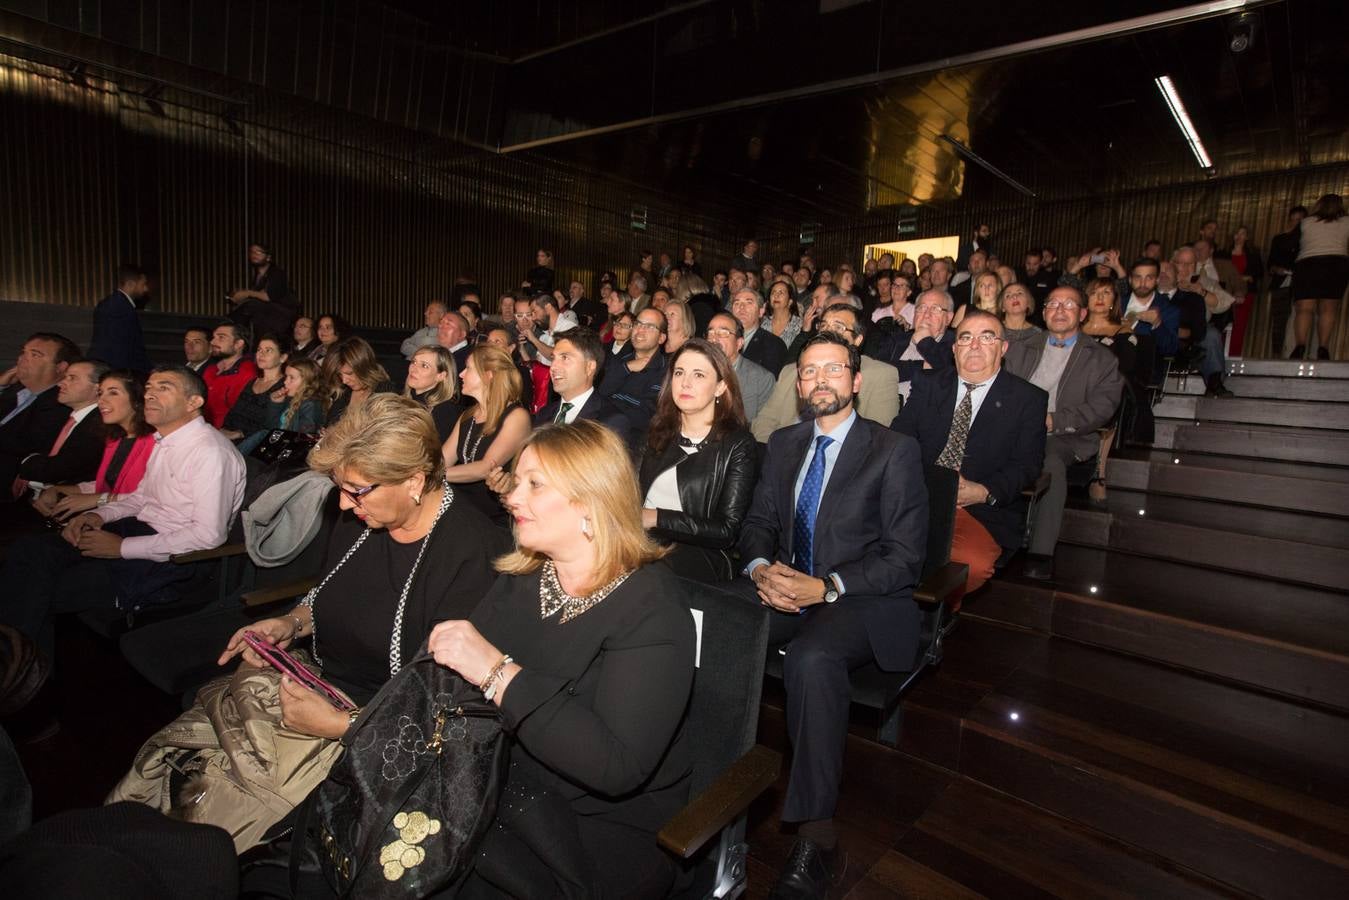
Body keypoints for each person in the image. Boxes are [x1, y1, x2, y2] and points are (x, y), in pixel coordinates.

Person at [427, 420, 694, 898]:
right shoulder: (527, 573)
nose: (512, 497)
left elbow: (616, 768)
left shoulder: (653, 609)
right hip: (499, 782)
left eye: (535, 484)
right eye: (518, 480)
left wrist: (496, 673)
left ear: (590, 502)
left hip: (589, 827)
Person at [738, 332, 926, 897]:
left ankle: (817, 839)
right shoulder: (784, 443)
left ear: (856, 381)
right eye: (809, 371)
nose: (820, 379)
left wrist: (828, 587)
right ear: (798, 386)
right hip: (789, 585)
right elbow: (758, 525)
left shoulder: (893, 450)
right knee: (723, 624)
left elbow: (904, 557)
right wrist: (758, 570)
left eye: (833, 370)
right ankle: (708, 785)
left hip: (863, 597)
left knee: (812, 658)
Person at [217, 394, 508, 730]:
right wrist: (291, 623)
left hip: (387, 729)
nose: (342, 504)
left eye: (356, 489)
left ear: (414, 481)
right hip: (319, 688)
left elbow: (446, 706)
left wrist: (344, 725)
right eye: (340, 487)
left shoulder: (476, 554)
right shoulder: (361, 516)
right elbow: (330, 593)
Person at [0, 366, 245, 665]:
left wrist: (121, 548)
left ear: (194, 403)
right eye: (150, 386)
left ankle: (18, 679)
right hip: (136, 531)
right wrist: (99, 516)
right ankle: (22, 677)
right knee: (28, 551)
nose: (150, 393)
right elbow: (141, 497)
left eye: (164, 387)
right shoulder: (165, 441)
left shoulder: (209, 452)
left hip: (172, 561)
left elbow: (209, 536)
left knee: (34, 590)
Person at [894, 310, 1046, 597]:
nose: (974, 345)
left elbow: (1027, 464)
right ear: (954, 349)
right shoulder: (929, 384)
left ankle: (929, 620)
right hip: (917, 494)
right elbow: (901, 439)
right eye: (965, 337)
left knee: (969, 565)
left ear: (1003, 348)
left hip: (978, 509)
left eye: (986, 337)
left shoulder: (1028, 399)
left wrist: (983, 491)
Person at [1004, 286, 1125, 580]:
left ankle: (1040, 551)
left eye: (1068, 304)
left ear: (1082, 314)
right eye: (1053, 304)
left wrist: (1052, 421)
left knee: (1051, 464)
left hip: (1063, 435)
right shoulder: (1020, 348)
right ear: (1043, 312)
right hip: (1014, 427)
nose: (1059, 310)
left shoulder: (1101, 359)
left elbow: (1101, 408)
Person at [638, 339, 757, 583]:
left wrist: (655, 517)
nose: (685, 382)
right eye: (679, 372)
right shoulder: (657, 430)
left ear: (720, 387)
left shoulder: (737, 444)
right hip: (639, 542)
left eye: (699, 375)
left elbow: (726, 531)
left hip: (697, 557)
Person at [755, 303, 901, 441]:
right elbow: (764, 421)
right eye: (823, 325)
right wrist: (776, 454)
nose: (827, 331)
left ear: (858, 340)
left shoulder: (880, 375)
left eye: (838, 327)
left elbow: (877, 439)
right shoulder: (791, 372)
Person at [31, 369, 156, 521]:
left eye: (113, 393)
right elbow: (108, 484)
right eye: (101, 393)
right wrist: (58, 489)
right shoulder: (115, 439)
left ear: (137, 400)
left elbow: (153, 499)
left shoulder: (157, 443)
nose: (101, 401)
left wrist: (99, 499)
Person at [1082, 278, 1154, 506]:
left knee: (1111, 394)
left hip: (1107, 386)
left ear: (1114, 300)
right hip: (1072, 385)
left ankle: (1098, 473)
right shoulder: (1072, 328)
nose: (1100, 298)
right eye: (1095, 292)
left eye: (1106, 293)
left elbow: (1125, 366)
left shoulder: (1123, 331)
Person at [443, 346, 532, 526]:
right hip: (461, 510)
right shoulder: (467, 416)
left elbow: (485, 468)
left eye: (468, 368)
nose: (461, 374)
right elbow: (441, 460)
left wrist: (431, 475)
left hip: (493, 519)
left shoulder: (516, 416)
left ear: (488, 375)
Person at [12, 359, 109, 501]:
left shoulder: (100, 425)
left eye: (72, 378)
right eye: (65, 377)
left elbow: (57, 470)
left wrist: (25, 463)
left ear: (97, 388)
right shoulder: (66, 416)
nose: (60, 383)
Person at [0, 333, 82, 502]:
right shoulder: (13, 390)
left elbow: (22, 447)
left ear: (61, 367)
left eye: (35, 355)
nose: (22, 358)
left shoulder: (60, 404)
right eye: (24, 352)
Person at [531, 328, 631, 444]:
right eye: (553, 358)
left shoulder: (609, 423)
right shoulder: (545, 413)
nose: (553, 367)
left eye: (565, 358)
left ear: (589, 367)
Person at [598, 306, 669, 448]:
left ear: (661, 338)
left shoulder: (665, 370)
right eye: (638, 324)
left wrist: (609, 407)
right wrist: (627, 367)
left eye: (649, 326)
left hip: (630, 442)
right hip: (601, 430)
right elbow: (602, 392)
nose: (640, 330)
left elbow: (645, 416)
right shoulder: (621, 361)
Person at [1292, 193, 1349, 360]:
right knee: (1328, 309)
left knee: (1304, 309)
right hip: (1336, 265)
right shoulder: (1346, 222)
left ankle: (1300, 346)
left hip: (1308, 265)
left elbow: (1292, 244)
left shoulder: (1306, 222)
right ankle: (1323, 348)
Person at [706, 312, 775, 422]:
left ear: (739, 343)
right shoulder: (695, 372)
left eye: (723, 332)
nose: (714, 338)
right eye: (710, 332)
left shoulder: (761, 379)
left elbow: (761, 427)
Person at [219, 334, 288, 443]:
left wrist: (240, 434)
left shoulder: (284, 386)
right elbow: (234, 412)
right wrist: (223, 429)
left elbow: (275, 424)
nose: (261, 354)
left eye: (268, 350)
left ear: (282, 357)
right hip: (230, 438)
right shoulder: (253, 381)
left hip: (255, 444)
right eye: (259, 349)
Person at [87, 264, 152, 373]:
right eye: (143, 284)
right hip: (115, 368)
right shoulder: (120, 306)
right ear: (131, 284)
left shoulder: (112, 303)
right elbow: (125, 345)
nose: (146, 289)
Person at [227, 242, 297, 343]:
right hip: (263, 320)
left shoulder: (276, 273)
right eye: (252, 252)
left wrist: (247, 293)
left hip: (279, 318)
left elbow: (270, 296)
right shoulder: (258, 276)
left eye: (259, 252)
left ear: (268, 257)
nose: (254, 255)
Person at [324, 337, 393, 426]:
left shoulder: (384, 391)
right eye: (340, 375)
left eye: (349, 373)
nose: (344, 381)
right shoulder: (343, 391)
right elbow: (329, 424)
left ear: (363, 367)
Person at [1266, 206, 1307, 356]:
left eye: (1300, 220)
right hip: (1282, 283)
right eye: (1294, 220)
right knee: (1279, 322)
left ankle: (1298, 353)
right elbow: (1270, 263)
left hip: (1302, 284)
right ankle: (1276, 355)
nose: (1296, 223)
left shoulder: (1307, 240)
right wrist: (1276, 269)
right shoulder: (1280, 239)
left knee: (1301, 319)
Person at [1120, 258, 1180, 360]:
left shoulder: (1168, 309)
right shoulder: (1118, 303)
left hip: (1146, 369)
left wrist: (1157, 324)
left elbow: (1170, 349)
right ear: (1130, 280)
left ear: (1157, 280)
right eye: (1138, 278)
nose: (1143, 283)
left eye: (1149, 278)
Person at [201, 323, 258, 428]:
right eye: (214, 337)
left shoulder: (247, 372)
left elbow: (243, 414)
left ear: (238, 344)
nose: (213, 342)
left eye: (221, 337)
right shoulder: (210, 369)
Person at [403, 345, 463, 442]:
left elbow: (433, 453)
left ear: (441, 376)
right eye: (414, 362)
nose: (413, 369)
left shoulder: (443, 410)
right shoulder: (406, 400)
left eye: (424, 366)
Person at [1220, 226, 1263, 357]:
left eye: (1242, 234)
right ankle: (1219, 354)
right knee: (1222, 324)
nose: (1239, 236)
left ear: (1247, 237)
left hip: (1245, 294)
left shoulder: (1253, 254)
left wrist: (1246, 278)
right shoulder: (1223, 253)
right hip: (1225, 293)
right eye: (1236, 233)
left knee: (1239, 326)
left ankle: (1233, 355)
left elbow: (1258, 273)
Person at [732, 288, 787, 375]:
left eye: (749, 302)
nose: (741, 307)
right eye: (737, 303)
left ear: (761, 311)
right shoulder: (722, 339)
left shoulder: (773, 345)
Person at [763, 280, 804, 349]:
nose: (776, 295)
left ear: (790, 301)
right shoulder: (763, 323)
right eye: (773, 292)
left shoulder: (799, 325)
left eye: (781, 292)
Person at [436, 309, 473, 373]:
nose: (440, 326)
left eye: (448, 324)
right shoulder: (438, 354)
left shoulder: (469, 359)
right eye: (441, 322)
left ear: (462, 334)